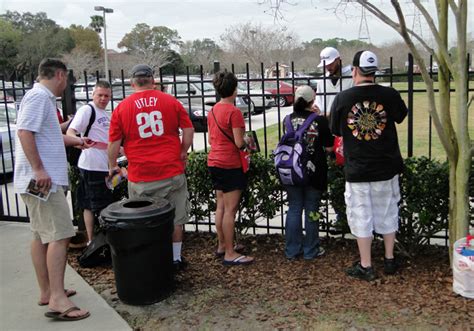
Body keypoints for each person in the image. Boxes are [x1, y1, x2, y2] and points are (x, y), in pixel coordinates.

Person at [14, 58, 91, 320]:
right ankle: (57, 300)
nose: (67, 85)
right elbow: (24, 131)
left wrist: (78, 140)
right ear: (59, 74)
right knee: (60, 235)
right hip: (43, 181)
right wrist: (38, 169)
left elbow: (47, 134)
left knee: (41, 236)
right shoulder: (38, 98)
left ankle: (47, 291)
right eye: (67, 79)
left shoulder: (41, 99)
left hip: (39, 181)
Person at [329, 50, 408, 281]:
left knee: (360, 215)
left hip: (358, 169)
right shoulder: (389, 94)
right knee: (388, 211)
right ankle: (390, 259)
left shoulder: (342, 99)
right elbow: (401, 115)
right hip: (387, 166)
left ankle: (366, 265)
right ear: (374, 72)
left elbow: (335, 130)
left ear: (354, 70)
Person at [108, 64, 194, 272]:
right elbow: (188, 129)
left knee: (144, 220)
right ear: (152, 80)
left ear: (132, 83)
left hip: (141, 175)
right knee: (175, 219)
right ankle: (175, 258)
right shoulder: (170, 101)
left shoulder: (122, 108)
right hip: (171, 169)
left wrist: (112, 166)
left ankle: (150, 259)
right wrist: (183, 151)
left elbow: (113, 142)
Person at [207, 70, 254, 266]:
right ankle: (230, 252)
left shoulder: (213, 110)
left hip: (214, 161)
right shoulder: (234, 112)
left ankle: (221, 244)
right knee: (230, 210)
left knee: (220, 206)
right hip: (230, 164)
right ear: (234, 89)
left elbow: (212, 137)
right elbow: (238, 143)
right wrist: (247, 141)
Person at [282, 85, 333, 260]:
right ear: (313, 100)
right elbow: (329, 147)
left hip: (292, 171)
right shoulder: (319, 121)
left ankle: (292, 249)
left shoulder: (287, 120)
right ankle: (311, 249)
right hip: (314, 172)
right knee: (312, 209)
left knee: (294, 208)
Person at [67, 80, 113, 245]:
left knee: (93, 203)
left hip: (104, 166)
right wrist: (79, 141)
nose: (103, 98)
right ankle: (94, 241)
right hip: (91, 165)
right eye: (99, 95)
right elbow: (72, 130)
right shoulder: (87, 110)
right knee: (96, 205)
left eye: (106, 95)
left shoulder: (106, 114)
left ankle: (95, 240)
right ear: (93, 94)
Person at [313, 47, 354, 117]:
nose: (328, 67)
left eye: (331, 63)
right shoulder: (321, 81)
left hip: (347, 122)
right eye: (325, 64)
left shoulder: (352, 77)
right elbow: (319, 103)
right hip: (327, 123)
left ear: (338, 60)